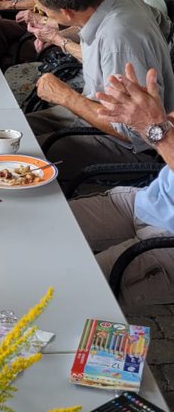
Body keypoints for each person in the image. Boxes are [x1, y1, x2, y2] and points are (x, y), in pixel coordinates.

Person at [23, 0, 174, 192]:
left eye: (47, 12)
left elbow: (135, 133)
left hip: (134, 146)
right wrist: (57, 32)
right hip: (96, 108)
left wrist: (66, 97)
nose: (46, 16)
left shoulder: (119, 40)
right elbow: (161, 23)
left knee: (26, 157)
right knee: (18, 130)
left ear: (67, 12)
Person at [71, 62, 174, 306]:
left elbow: (160, 132)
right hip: (148, 201)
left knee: (70, 291)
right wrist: (141, 114)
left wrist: (155, 127)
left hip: (168, 238)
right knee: (44, 224)